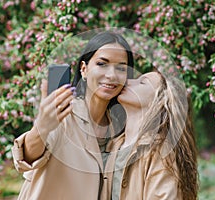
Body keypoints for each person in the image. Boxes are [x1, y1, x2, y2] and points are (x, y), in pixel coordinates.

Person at [11, 31, 134, 199]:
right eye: (102, 64)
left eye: (121, 68)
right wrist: (42, 127)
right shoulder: (64, 112)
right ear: (84, 69)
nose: (111, 75)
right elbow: (29, 157)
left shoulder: (120, 129)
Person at [102, 71, 198, 200]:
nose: (127, 81)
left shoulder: (161, 150)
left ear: (160, 100)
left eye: (142, 82)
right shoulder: (113, 145)